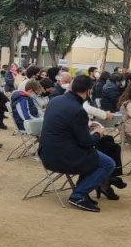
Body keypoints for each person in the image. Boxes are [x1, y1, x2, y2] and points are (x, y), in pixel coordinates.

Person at [38, 75, 116, 212]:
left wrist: (87, 126)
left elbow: (63, 125)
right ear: (88, 91)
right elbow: (86, 142)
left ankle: (82, 192)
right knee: (107, 163)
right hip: (61, 156)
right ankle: (78, 195)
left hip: (46, 151)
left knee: (94, 156)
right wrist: (99, 133)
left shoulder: (55, 100)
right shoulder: (78, 110)